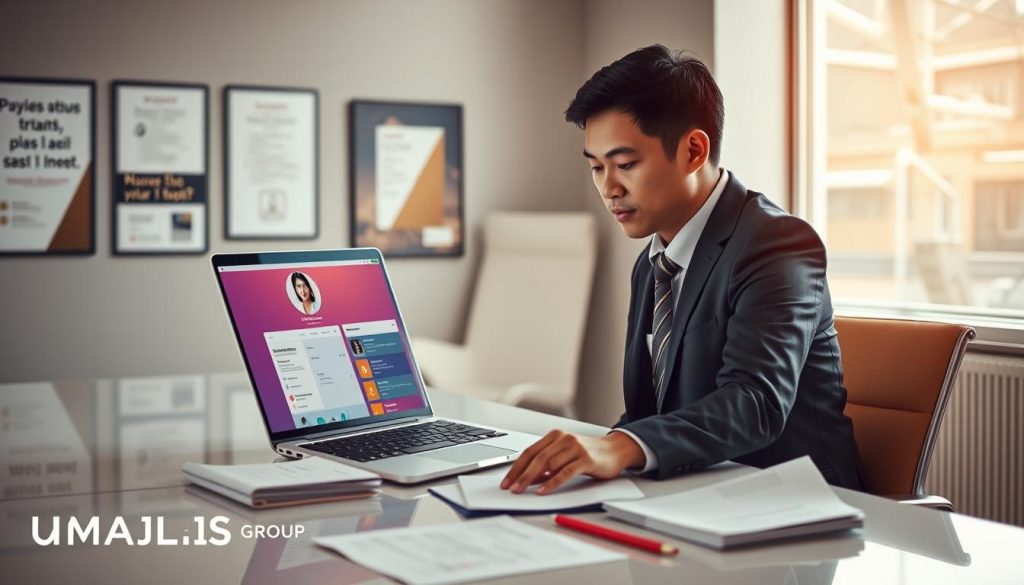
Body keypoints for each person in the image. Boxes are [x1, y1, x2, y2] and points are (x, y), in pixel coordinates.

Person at [501, 45, 865, 496]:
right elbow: (647, 415)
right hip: (694, 493)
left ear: (693, 150)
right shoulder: (652, 262)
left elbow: (755, 403)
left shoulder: (779, 243)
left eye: (626, 164)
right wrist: (586, 451)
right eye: (596, 167)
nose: (608, 188)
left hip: (795, 507)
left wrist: (619, 448)